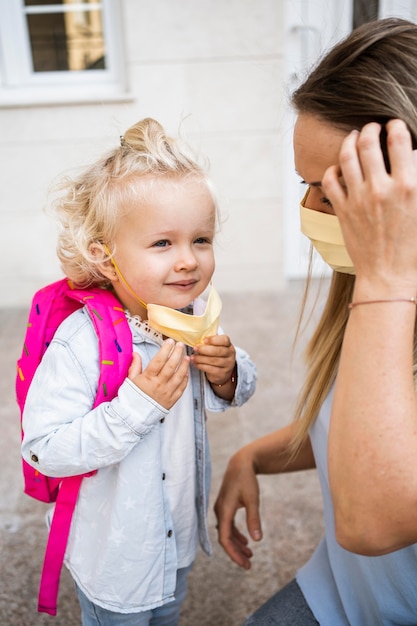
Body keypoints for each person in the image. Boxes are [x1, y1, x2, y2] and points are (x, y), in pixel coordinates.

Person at [214, 17, 417, 626]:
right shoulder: (371, 287)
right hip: (339, 594)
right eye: (305, 185)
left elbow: (370, 521)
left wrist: (386, 279)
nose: (307, 210)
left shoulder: (382, 288)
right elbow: (358, 428)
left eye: (332, 193)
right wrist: (250, 455)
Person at [21, 117, 257, 626]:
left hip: (176, 535)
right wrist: (135, 407)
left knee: (168, 614)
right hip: (118, 557)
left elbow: (240, 390)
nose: (189, 262)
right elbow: (44, 448)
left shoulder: (192, 314)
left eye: (201, 239)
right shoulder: (80, 342)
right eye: (162, 244)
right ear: (103, 258)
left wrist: (229, 373)